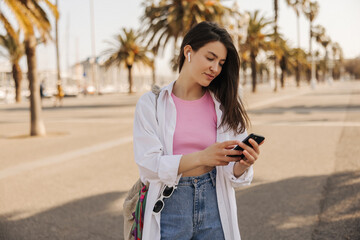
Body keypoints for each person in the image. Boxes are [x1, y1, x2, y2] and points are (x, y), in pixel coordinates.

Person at [133, 21, 264, 240]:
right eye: (210, 58)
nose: (216, 68)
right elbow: (148, 166)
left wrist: (242, 164)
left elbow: (233, 176)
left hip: (215, 205)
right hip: (170, 207)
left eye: (221, 63)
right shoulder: (152, 103)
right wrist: (203, 157)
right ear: (188, 52)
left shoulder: (223, 103)